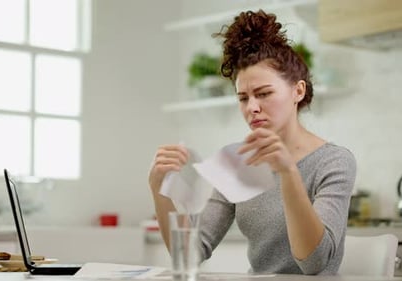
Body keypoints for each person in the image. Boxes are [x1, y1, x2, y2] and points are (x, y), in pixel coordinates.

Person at [148, 9, 356, 275]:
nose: (252, 107)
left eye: (264, 93)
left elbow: (313, 263)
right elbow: (190, 254)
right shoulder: (237, 163)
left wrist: (287, 172)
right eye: (243, 98)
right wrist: (159, 190)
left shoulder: (333, 161)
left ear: (298, 91)